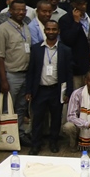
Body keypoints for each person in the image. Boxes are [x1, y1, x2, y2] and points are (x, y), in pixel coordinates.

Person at [24, 19, 72, 155]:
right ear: (44, 31)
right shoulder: (36, 49)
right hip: (40, 90)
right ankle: (36, 145)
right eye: (48, 29)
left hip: (56, 90)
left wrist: (68, 92)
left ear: (58, 31)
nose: (51, 31)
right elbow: (31, 71)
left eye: (54, 29)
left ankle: (53, 142)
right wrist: (28, 90)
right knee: (37, 119)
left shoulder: (65, 50)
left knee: (56, 119)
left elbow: (69, 73)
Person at [0, 0, 33, 140]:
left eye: (23, 10)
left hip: (25, 74)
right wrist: (3, 80)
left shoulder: (26, 27)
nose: (21, 12)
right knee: (8, 108)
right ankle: (6, 138)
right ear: (10, 11)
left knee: (21, 108)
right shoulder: (2, 29)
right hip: (11, 75)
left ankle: (19, 135)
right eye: (17, 10)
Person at [57, 0, 90, 89]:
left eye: (84, 3)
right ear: (73, 5)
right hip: (76, 66)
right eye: (80, 4)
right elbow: (68, 40)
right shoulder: (65, 20)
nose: (83, 6)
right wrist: (76, 22)